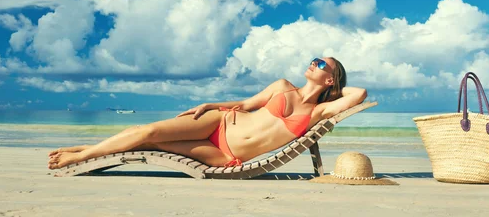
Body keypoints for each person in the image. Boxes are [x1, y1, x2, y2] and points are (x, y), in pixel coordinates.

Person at [48, 57, 367, 169]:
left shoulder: (319, 111)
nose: (314, 62)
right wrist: (211, 105)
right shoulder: (282, 86)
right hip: (221, 120)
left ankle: (85, 151)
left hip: (225, 154)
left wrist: (335, 89)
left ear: (329, 79)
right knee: (147, 133)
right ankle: (81, 155)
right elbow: (245, 105)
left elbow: (359, 94)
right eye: (315, 58)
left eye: (322, 63)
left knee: (151, 144)